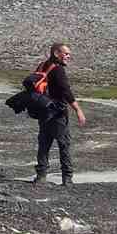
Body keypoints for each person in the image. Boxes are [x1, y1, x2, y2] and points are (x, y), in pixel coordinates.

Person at [32, 42, 86, 186]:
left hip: (43, 111)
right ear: (56, 53)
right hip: (58, 113)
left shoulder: (42, 65)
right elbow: (66, 91)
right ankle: (67, 179)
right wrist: (78, 110)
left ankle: (41, 176)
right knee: (64, 145)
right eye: (66, 53)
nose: (68, 56)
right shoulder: (58, 70)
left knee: (44, 144)